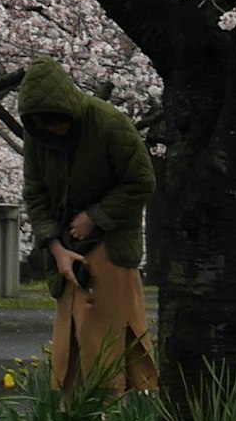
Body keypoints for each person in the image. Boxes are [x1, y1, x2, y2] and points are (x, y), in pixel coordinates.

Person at [18, 57, 157, 395]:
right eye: (44, 127)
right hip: (66, 252)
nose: (52, 132)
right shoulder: (37, 137)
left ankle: (118, 415)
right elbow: (35, 195)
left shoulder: (109, 124)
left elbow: (141, 182)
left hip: (111, 246)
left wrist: (95, 217)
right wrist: (56, 248)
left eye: (57, 124)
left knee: (109, 343)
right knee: (69, 346)